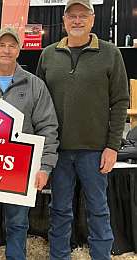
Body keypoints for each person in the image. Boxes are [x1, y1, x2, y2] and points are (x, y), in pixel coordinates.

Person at [36, 0, 129, 259]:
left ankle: (101, 255)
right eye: (72, 16)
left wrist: (112, 146)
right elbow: (38, 103)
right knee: (59, 210)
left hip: (95, 150)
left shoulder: (111, 54)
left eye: (82, 15)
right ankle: (59, 256)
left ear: (92, 18)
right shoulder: (48, 54)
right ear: (64, 21)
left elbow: (121, 102)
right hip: (58, 151)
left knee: (98, 209)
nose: (77, 21)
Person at [0, 27, 59, 260]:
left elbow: (48, 127)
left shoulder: (35, 85)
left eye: (12, 45)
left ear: (19, 50)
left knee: (17, 222)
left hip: (20, 168)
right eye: (2, 45)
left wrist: (45, 167)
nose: (6, 50)